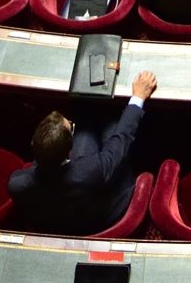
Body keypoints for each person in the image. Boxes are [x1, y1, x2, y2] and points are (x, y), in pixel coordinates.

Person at [8, 72, 157, 235]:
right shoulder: (92, 170)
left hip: (60, 214)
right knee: (112, 125)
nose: (71, 124)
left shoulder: (17, 184)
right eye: (71, 127)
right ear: (69, 150)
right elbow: (121, 139)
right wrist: (138, 97)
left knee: (85, 129)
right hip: (101, 214)